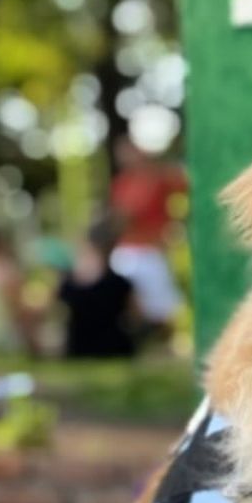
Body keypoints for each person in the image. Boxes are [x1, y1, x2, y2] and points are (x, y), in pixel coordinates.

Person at [108, 139, 185, 336]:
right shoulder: (122, 183)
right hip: (127, 249)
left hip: (152, 249)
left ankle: (163, 340)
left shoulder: (159, 177)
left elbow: (184, 184)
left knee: (160, 305)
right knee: (130, 301)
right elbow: (122, 216)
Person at [58, 217, 138, 359]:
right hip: (114, 348)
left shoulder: (68, 283)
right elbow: (135, 316)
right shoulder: (120, 283)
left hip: (79, 350)